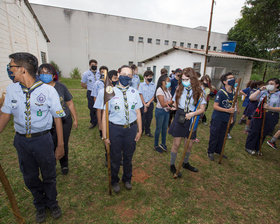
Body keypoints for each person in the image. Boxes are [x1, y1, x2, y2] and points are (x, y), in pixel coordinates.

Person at [0, 52, 65, 223]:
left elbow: (58, 118)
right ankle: (40, 205)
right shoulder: (12, 89)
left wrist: (60, 145)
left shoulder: (48, 90)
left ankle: (52, 203)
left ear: (22, 69)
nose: (9, 70)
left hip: (43, 140)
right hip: (22, 141)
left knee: (49, 175)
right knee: (29, 177)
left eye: (12, 66)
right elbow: (5, 115)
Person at [95, 65, 142, 193]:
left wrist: (140, 130)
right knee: (115, 157)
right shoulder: (109, 91)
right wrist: (104, 135)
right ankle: (114, 180)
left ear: (132, 77)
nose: (126, 77)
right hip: (115, 129)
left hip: (131, 129)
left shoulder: (135, 93)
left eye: (129, 75)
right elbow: (104, 115)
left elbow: (138, 112)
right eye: (124, 74)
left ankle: (127, 179)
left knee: (128, 157)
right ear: (118, 73)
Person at [38, 63, 78, 175]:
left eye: (47, 73)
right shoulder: (38, 89)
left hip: (64, 121)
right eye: (42, 73)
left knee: (63, 143)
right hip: (47, 123)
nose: (44, 75)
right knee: (50, 144)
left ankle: (64, 164)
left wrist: (75, 119)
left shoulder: (61, 87)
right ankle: (51, 164)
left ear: (53, 74)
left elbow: (69, 103)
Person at [168, 68, 206, 176]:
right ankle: (172, 164)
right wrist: (173, 107)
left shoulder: (199, 91)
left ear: (192, 79)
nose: (184, 81)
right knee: (176, 143)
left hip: (192, 117)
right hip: (180, 115)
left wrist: (192, 114)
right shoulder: (179, 88)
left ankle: (185, 163)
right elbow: (175, 103)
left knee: (189, 145)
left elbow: (202, 109)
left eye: (186, 79)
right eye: (183, 79)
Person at [245, 78, 280, 155]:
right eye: (268, 83)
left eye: (272, 84)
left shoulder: (279, 94)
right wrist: (260, 90)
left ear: (277, 85)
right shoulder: (264, 92)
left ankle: (258, 148)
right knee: (254, 130)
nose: (269, 85)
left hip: (272, 115)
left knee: (263, 132)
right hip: (259, 113)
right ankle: (249, 147)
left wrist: (270, 108)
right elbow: (251, 98)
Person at [207, 72, 236, 161]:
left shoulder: (234, 92)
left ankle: (219, 150)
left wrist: (231, 117)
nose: (233, 79)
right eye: (230, 78)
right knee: (215, 135)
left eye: (233, 78)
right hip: (218, 118)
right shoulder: (221, 92)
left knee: (223, 135)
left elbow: (232, 106)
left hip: (226, 118)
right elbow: (215, 106)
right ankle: (210, 151)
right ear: (224, 82)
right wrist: (227, 111)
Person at [154, 75, 173, 153]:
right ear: (162, 82)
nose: (169, 83)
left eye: (169, 81)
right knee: (158, 128)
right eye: (167, 81)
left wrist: (170, 103)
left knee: (165, 129)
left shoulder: (167, 90)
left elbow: (170, 101)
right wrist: (171, 102)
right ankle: (156, 145)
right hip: (160, 111)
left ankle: (163, 144)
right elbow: (162, 104)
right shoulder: (159, 90)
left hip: (166, 111)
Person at [81, 59, 100, 129]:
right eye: (92, 65)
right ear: (90, 65)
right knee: (92, 108)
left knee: (99, 107)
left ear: (97, 65)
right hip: (90, 93)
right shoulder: (86, 74)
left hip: (99, 93)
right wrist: (90, 87)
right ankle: (93, 122)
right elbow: (82, 84)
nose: (94, 66)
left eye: (95, 65)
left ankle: (99, 121)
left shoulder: (100, 73)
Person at [139, 70, 156, 137]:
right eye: (149, 76)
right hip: (143, 104)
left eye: (151, 76)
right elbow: (140, 95)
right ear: (145, 77)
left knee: (149, 118)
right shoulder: (141, 85)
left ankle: (147, 131)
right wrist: (144, 104)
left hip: (150, 104)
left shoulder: (154, 85)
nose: (150, 78)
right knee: (142, 119)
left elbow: (154, 95)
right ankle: (141, 131)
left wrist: (149, 103)